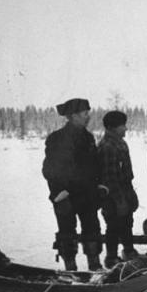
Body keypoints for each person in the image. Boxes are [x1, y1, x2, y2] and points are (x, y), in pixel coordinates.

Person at [42, 98, 104, 271]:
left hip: (88, 195)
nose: (88, 117)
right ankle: (70, 269)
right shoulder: (57, 138)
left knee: (92, 230)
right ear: (73, 116)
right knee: (67, 233)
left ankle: (95, 266)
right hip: (66, 196)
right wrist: (59, 193)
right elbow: (49, 169)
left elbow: (94, 165)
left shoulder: (88, 137)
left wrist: (99, 185)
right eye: (85, 114)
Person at [97, 110, 140, 269]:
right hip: (112, 195)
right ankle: (111, 258)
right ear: (113, 127)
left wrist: (130, 194)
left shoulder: (119, 143)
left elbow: (125, 174)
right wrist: (119, 200)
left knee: (127, 222)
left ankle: (128, 252)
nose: (126, 129)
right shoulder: (108, 146)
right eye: (123, 126)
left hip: (124, 190)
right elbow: (109, 178)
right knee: (113, 226)